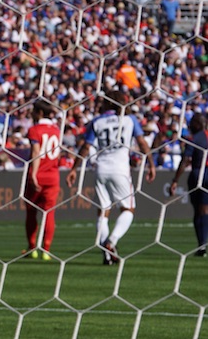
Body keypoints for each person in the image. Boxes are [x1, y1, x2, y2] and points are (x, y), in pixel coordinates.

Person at [66, 90, 156, 265]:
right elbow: (142, 143)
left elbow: (85, 147)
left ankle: (107, 255)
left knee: (103, 211)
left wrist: (74, 169)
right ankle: (111, 241)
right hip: (120, 168)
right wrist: (151, 164)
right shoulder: (129, 120)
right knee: (128, 209)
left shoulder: (97, 121)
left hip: (101, 168)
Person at [23, 100, 61, 261]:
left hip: (37, 175)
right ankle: (46, 250)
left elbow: (36, 152)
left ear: (39, 113)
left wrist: (33, 173)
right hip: (53, 176)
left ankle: (33, 248)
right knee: (49, 213)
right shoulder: (57, 130)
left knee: (31, 212)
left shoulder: (34, 130)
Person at [170, 114, 208, 257]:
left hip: (199, 174)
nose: (190, 126)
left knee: (199, 211)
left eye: (192, 123)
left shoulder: (194, 139)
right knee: (204, 210)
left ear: (198, 124)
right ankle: (202, 245)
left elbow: (186, 160)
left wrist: (175, 180)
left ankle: (202, 245)